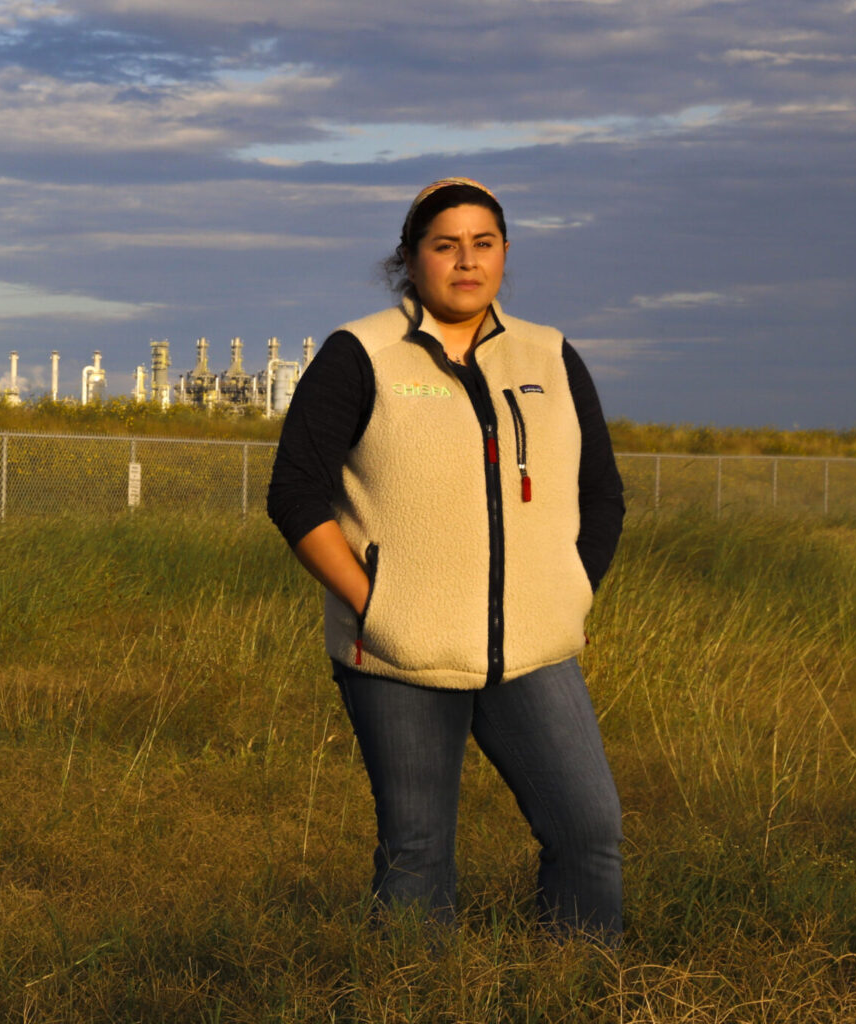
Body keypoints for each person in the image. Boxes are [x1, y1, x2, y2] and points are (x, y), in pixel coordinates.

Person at [265, 178, 626, 938]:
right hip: (400, 653)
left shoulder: (551, 356)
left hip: (535, 649)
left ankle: (576, 991)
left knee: (589, 835)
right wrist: (377, 606)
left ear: (504, 254)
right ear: (411, 258)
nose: (467, 261)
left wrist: (566, 594)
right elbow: (297, 495)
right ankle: (412, 997)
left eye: (484, 243)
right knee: (417, 852)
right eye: (445, 244)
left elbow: (603, 497)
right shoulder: (360, 354)